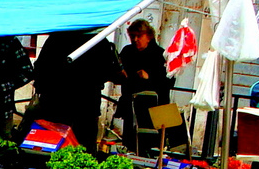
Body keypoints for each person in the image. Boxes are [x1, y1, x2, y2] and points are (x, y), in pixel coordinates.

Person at [31, 29, 123, 153]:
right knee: (83, 148)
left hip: (57, 102)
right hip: (83, 104)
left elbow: (40, 68)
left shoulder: (57, 38)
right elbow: (111, 73)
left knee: (53, 148)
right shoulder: (99, 41)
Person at [115, 18, 173, 155]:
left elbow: (169, 81)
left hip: (154, 108)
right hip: (132, 106)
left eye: (139, 36)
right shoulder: (127, 52)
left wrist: (149, 78)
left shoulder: (160, 54)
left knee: (151, 147)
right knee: (130, 143)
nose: (135, 40)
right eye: (132, 36)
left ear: (149, 36)